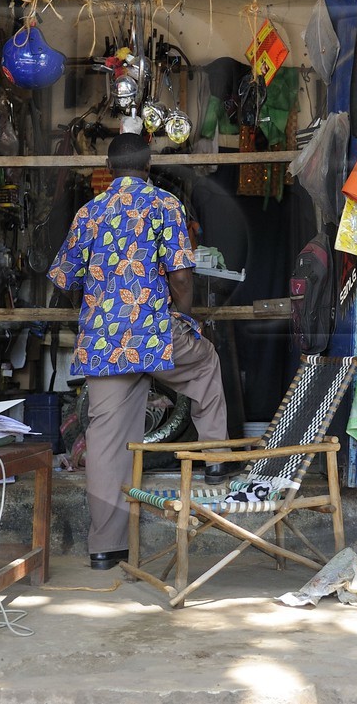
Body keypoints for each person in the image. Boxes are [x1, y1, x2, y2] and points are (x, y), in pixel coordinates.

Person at [48, 133, 231, 570]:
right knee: (205, 364)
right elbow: (182, 278)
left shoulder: (89, 212)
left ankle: (105, 549)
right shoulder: (164, 204)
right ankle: (215, 461)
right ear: (148, 167)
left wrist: (97, 311)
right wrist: (184, 320)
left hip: (104, 344)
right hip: (154, 335)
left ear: (108, 170)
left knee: (107, 444)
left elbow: (62, 280)